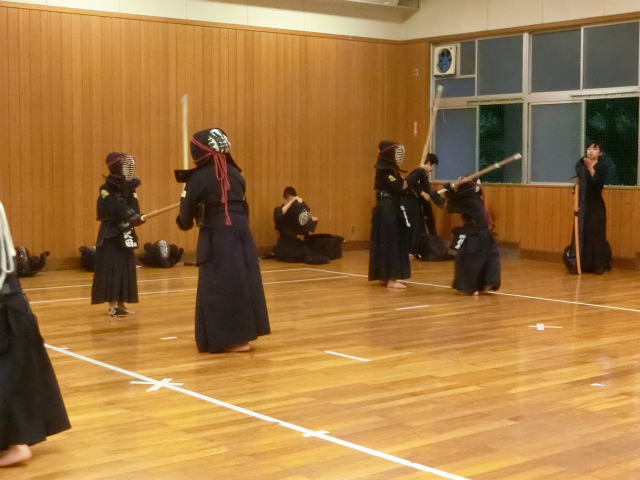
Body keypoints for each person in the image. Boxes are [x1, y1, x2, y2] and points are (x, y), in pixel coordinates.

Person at [176, 128, 270, 353]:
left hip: (217, 238)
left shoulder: (197, 179)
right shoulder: (236, 173)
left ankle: (229, 340)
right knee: (241, 281)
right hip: (242, 235)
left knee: (219, 286)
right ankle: (243, 335)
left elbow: (185, 221)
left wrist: (183, 211)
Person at [0, 201, 70, 467]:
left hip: (6, 307)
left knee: (9, 376)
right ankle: (15, 442)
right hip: (11, 303)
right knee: (12, 375)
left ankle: (17, 444)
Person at [91, 152, 144, 318]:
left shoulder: (131, 188)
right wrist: (130, 215)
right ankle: (113, 305)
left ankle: (122, 303)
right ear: (116, 167)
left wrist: (136, 216)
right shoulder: (106, 189)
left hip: (126, 233)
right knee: (111, 269)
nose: (127, 169)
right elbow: (115, 205)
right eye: (124, 166)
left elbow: (134, 205)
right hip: (111, 234)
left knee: (126, 269)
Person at [445, 180, 500, 295]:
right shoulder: (475, 199)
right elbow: (455, 201)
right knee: (485, 261)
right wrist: (449, 192)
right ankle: (483, 284)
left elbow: (450, 206)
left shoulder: (470, 202)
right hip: (483, 236)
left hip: (476, 236)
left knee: (466, 260)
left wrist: (448, 192)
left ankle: (470, 287)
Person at [368, 141, 411, 288]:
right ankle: (391, 278)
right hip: (388, 211)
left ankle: (384, 276)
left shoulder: (391, 171)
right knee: (391, 242)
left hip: (388, 209)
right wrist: (417, 174)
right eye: (396, 153)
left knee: (386, 242)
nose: (399, 157)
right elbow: (399, 186)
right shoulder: (386, 171)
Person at [575, 142, 612, 274]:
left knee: (596, 234)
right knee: (585, 233)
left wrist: (590, 167)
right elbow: (579, 178)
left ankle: (599, 265)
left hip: (596, 206)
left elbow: (597, 183)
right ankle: (585, 264)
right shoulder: (582, 165)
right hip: (584, 205)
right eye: (589, 148)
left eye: (594, 149)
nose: (590, 151)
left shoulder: (602, 167)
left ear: (600, 153)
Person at [405, 153, 449, 261]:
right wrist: (423, 193)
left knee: (420, 227)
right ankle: (411, 251)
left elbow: (425, 191)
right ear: (429, 163)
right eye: (433, 166)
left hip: (417, 204)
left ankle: (416, 251)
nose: (433, 169)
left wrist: (432, 197)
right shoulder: (419, 171)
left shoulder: (423, 173)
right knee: (416, 227)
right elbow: (408, 182)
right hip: (411, 203)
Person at [273, 187, 328, 264]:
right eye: (292, 200)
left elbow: (305, 225)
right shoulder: (279, 210)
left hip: (289, 247)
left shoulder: (296, 209)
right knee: (310, 253)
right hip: (289, 247)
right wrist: (293, 201)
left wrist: (311, 220)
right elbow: (279, 216)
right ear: (285, 199)